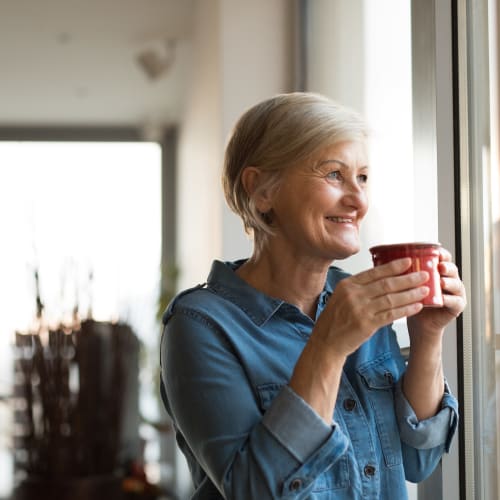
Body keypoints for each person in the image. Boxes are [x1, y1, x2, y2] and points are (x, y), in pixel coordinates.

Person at [159, 92, 466, 499]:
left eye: (363, 178)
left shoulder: (356, 299)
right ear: (261, 190)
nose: (358, 201)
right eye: (334, 174)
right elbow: (255, 491)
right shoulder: (200, 326)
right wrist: (328, 345)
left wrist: (427, 335)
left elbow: (418, 460)